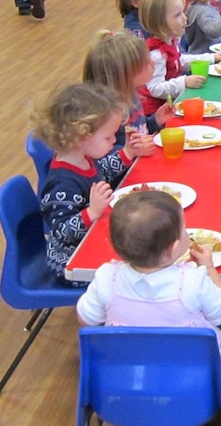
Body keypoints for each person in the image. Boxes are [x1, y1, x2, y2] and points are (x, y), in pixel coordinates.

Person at [76, 191, 221, 375]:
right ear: (173, 248)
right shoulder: (193, 281)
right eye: (184, 229)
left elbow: (85, 318)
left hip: (127, 375)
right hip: (193, 378)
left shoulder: (106, 278)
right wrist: (209, 269)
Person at [29, 82, 140, 279]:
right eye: (108, 137)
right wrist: (91, 212)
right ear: (80, 137)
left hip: (90, 241)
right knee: (141, 266)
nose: (114, 141)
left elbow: (101, 172)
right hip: (70, 262)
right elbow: (62, 231)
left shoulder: (83, 159)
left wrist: (127, 153)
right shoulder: (62, 184)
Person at [82, 29, 173, 153]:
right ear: (126, 75)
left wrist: (156, 120)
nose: (153, 63)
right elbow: (102, 165)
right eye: (146, 63)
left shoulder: (131, 93)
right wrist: (129, 153)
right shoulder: (105, 114)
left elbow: (137, 129)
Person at [138, 0, 221, 114]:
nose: (185, 18)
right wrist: (183, 82)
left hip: (170, 103)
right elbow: (155, 88)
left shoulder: (170, 42)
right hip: (157, 112)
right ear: (161, 24)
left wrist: (211, 58)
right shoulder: (156, 54)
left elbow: (179, 60)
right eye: (177, 15)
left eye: (182, 13)